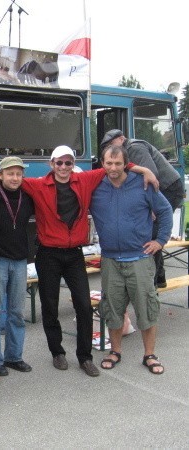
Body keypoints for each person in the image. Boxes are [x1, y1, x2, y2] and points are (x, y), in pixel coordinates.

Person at [0, 146, 158, 377]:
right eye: (59, 163)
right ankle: (57, 352)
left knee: (84, 306)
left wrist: (143, 169)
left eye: (68, 163)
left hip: (75, 253)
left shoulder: (84, 179)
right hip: (48, 254)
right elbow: (3, 177)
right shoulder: (36, 184)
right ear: (52, 164)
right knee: (50, 306)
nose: (63, 167)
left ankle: (84, 356)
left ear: (73, 164)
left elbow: (113, 165)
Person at [90, 145, 173, 374]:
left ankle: (149, 354)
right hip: (110, 260)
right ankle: (115, 351)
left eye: (118, 164)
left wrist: (161, 241)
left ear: (126, 164)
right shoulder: (96, 187)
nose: (113, 168)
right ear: (103, 164)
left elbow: (165, 211)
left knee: (146, 307)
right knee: (112, 308)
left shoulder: (143, 183)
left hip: (139, 258)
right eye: (108, 163)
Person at [100, 129, 185, 288]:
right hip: (163, 188)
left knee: (152, 233)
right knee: (151, 230)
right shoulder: (127, 150)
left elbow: (152, 174)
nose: (111, 150)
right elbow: (129, 167)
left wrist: (151, 207)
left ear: (121, 139)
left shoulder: (134, 147)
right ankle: (160, 278)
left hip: (168, 188)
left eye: (111, 144)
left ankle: (152, 282)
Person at [0, 156, 35, 376]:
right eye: (10, 173)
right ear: (0, 175)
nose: (14, 178)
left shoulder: (29, 197)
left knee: (16, 312)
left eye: (18, 174)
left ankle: (14, 357)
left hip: (20, 261)